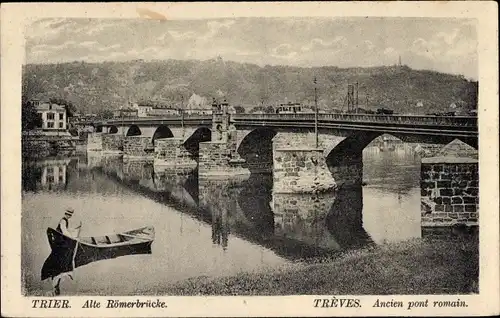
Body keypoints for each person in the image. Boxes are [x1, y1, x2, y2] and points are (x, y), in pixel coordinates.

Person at [52, 208, 82, 295]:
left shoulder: (65, 221)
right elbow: (64, 232)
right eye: (68, 215)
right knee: (69, 254)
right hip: (59, 243)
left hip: (60, 241)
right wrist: (73, 238)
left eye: (70, 215)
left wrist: (72, 233)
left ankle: (57, 287)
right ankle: (67, 270)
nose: (69, 216)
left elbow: (65, 231)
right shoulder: (63, 221)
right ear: (66, 214)